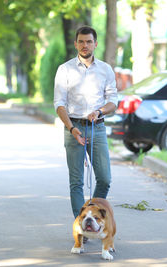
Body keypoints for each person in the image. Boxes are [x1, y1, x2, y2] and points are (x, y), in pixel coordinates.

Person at [53, 26, 118, 218]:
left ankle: (91, 214)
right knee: (76, 182)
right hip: (73, 127)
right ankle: (81, 225)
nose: (85, 45)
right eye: (81, 41)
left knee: (105, 179)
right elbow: (59, 103)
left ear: (95, 44)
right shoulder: (64, 69)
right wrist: (71, 128)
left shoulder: (105, 69)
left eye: (89, 41)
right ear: (75, 44)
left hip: (96, 127)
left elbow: (113, 101)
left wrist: (99, 111)